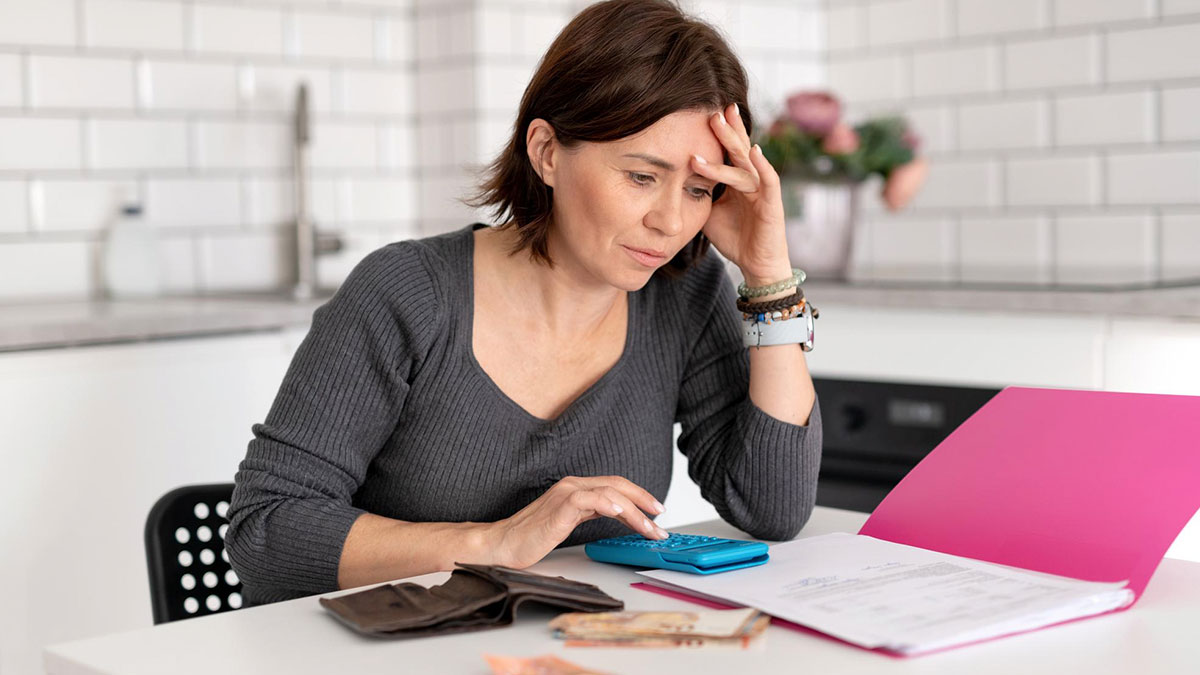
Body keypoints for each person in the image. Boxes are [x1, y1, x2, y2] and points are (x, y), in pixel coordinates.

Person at [226, 0, 822, 606]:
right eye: (641, 177)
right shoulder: (406, 292)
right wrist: (495, 543)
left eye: (699, 189)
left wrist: (769, 276)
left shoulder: (684, 297)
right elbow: (267, 529)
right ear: (546, 152)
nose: (671, 221)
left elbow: (772, 508)